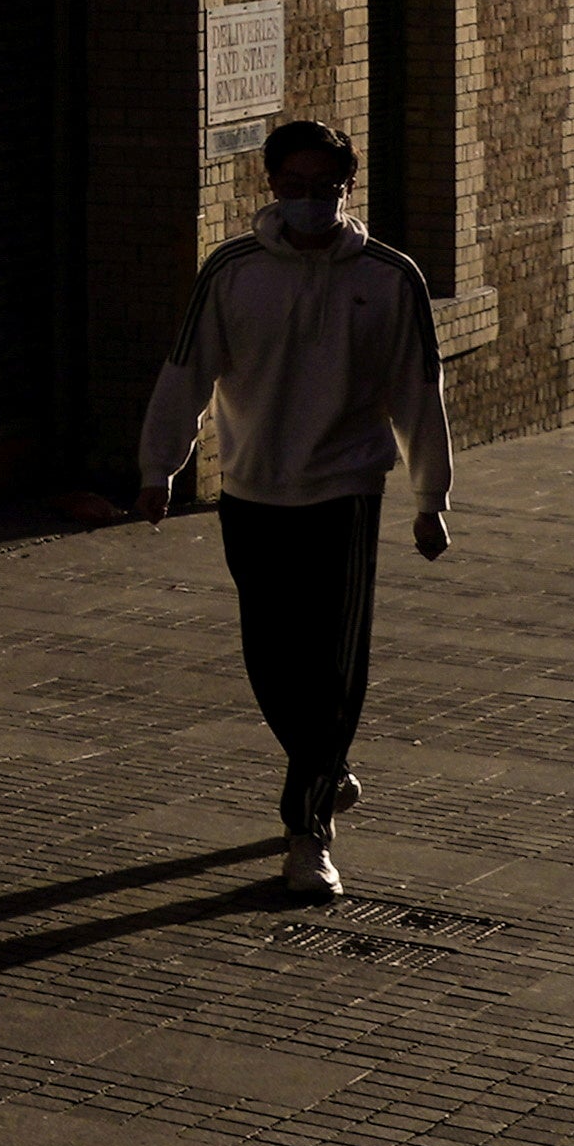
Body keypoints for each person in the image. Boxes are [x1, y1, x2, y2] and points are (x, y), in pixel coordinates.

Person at [137, 118, 452, 906]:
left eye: (326, 187)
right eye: (295, 185)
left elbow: (417, 392)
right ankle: (326, 764)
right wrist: (156, 468)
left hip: (344, 493)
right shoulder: (233, 272)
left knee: (331, 670)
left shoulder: (388, 277)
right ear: (270, 186)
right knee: (272, 659)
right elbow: (186, 373)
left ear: (346, 190)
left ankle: (305, 831)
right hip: (252, 491)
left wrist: (429, 499)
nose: (310, 201)